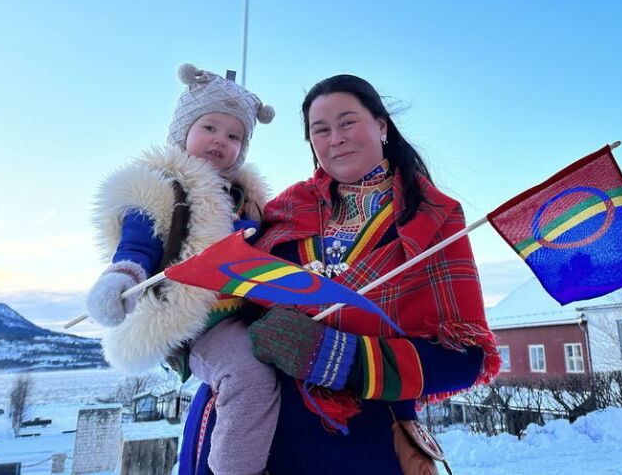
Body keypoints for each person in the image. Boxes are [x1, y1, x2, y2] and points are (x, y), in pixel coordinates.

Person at [179, 74, 501, 475]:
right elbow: (219, 297)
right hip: (239, 441)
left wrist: (338, 358)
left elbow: (465, 360)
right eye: (321, 129)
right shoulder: (282, 209)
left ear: (381, 126)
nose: (336, 138)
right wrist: (173, 329)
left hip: (361, 448)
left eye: (348, 122)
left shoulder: (433, 218)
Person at [87, 63, 280, 475]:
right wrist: (122, 278)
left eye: (234, 136)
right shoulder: (163, 188)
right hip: (197, 320)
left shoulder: (248, 199)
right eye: (209, 127)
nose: (220, 141)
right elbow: (139, 242)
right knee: (248, 376)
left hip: (248, 310)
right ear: (183, 131)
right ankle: (236, 469)